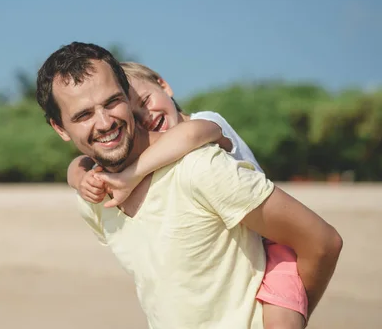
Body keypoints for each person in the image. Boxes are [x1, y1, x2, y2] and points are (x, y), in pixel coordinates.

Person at [35, 41, 343, 328]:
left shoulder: (199, 167)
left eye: (113, 102)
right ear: (60, 128)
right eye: (84, 115)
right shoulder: (94, 198)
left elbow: (322, 243)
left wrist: (291, 314)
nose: (104, 122)